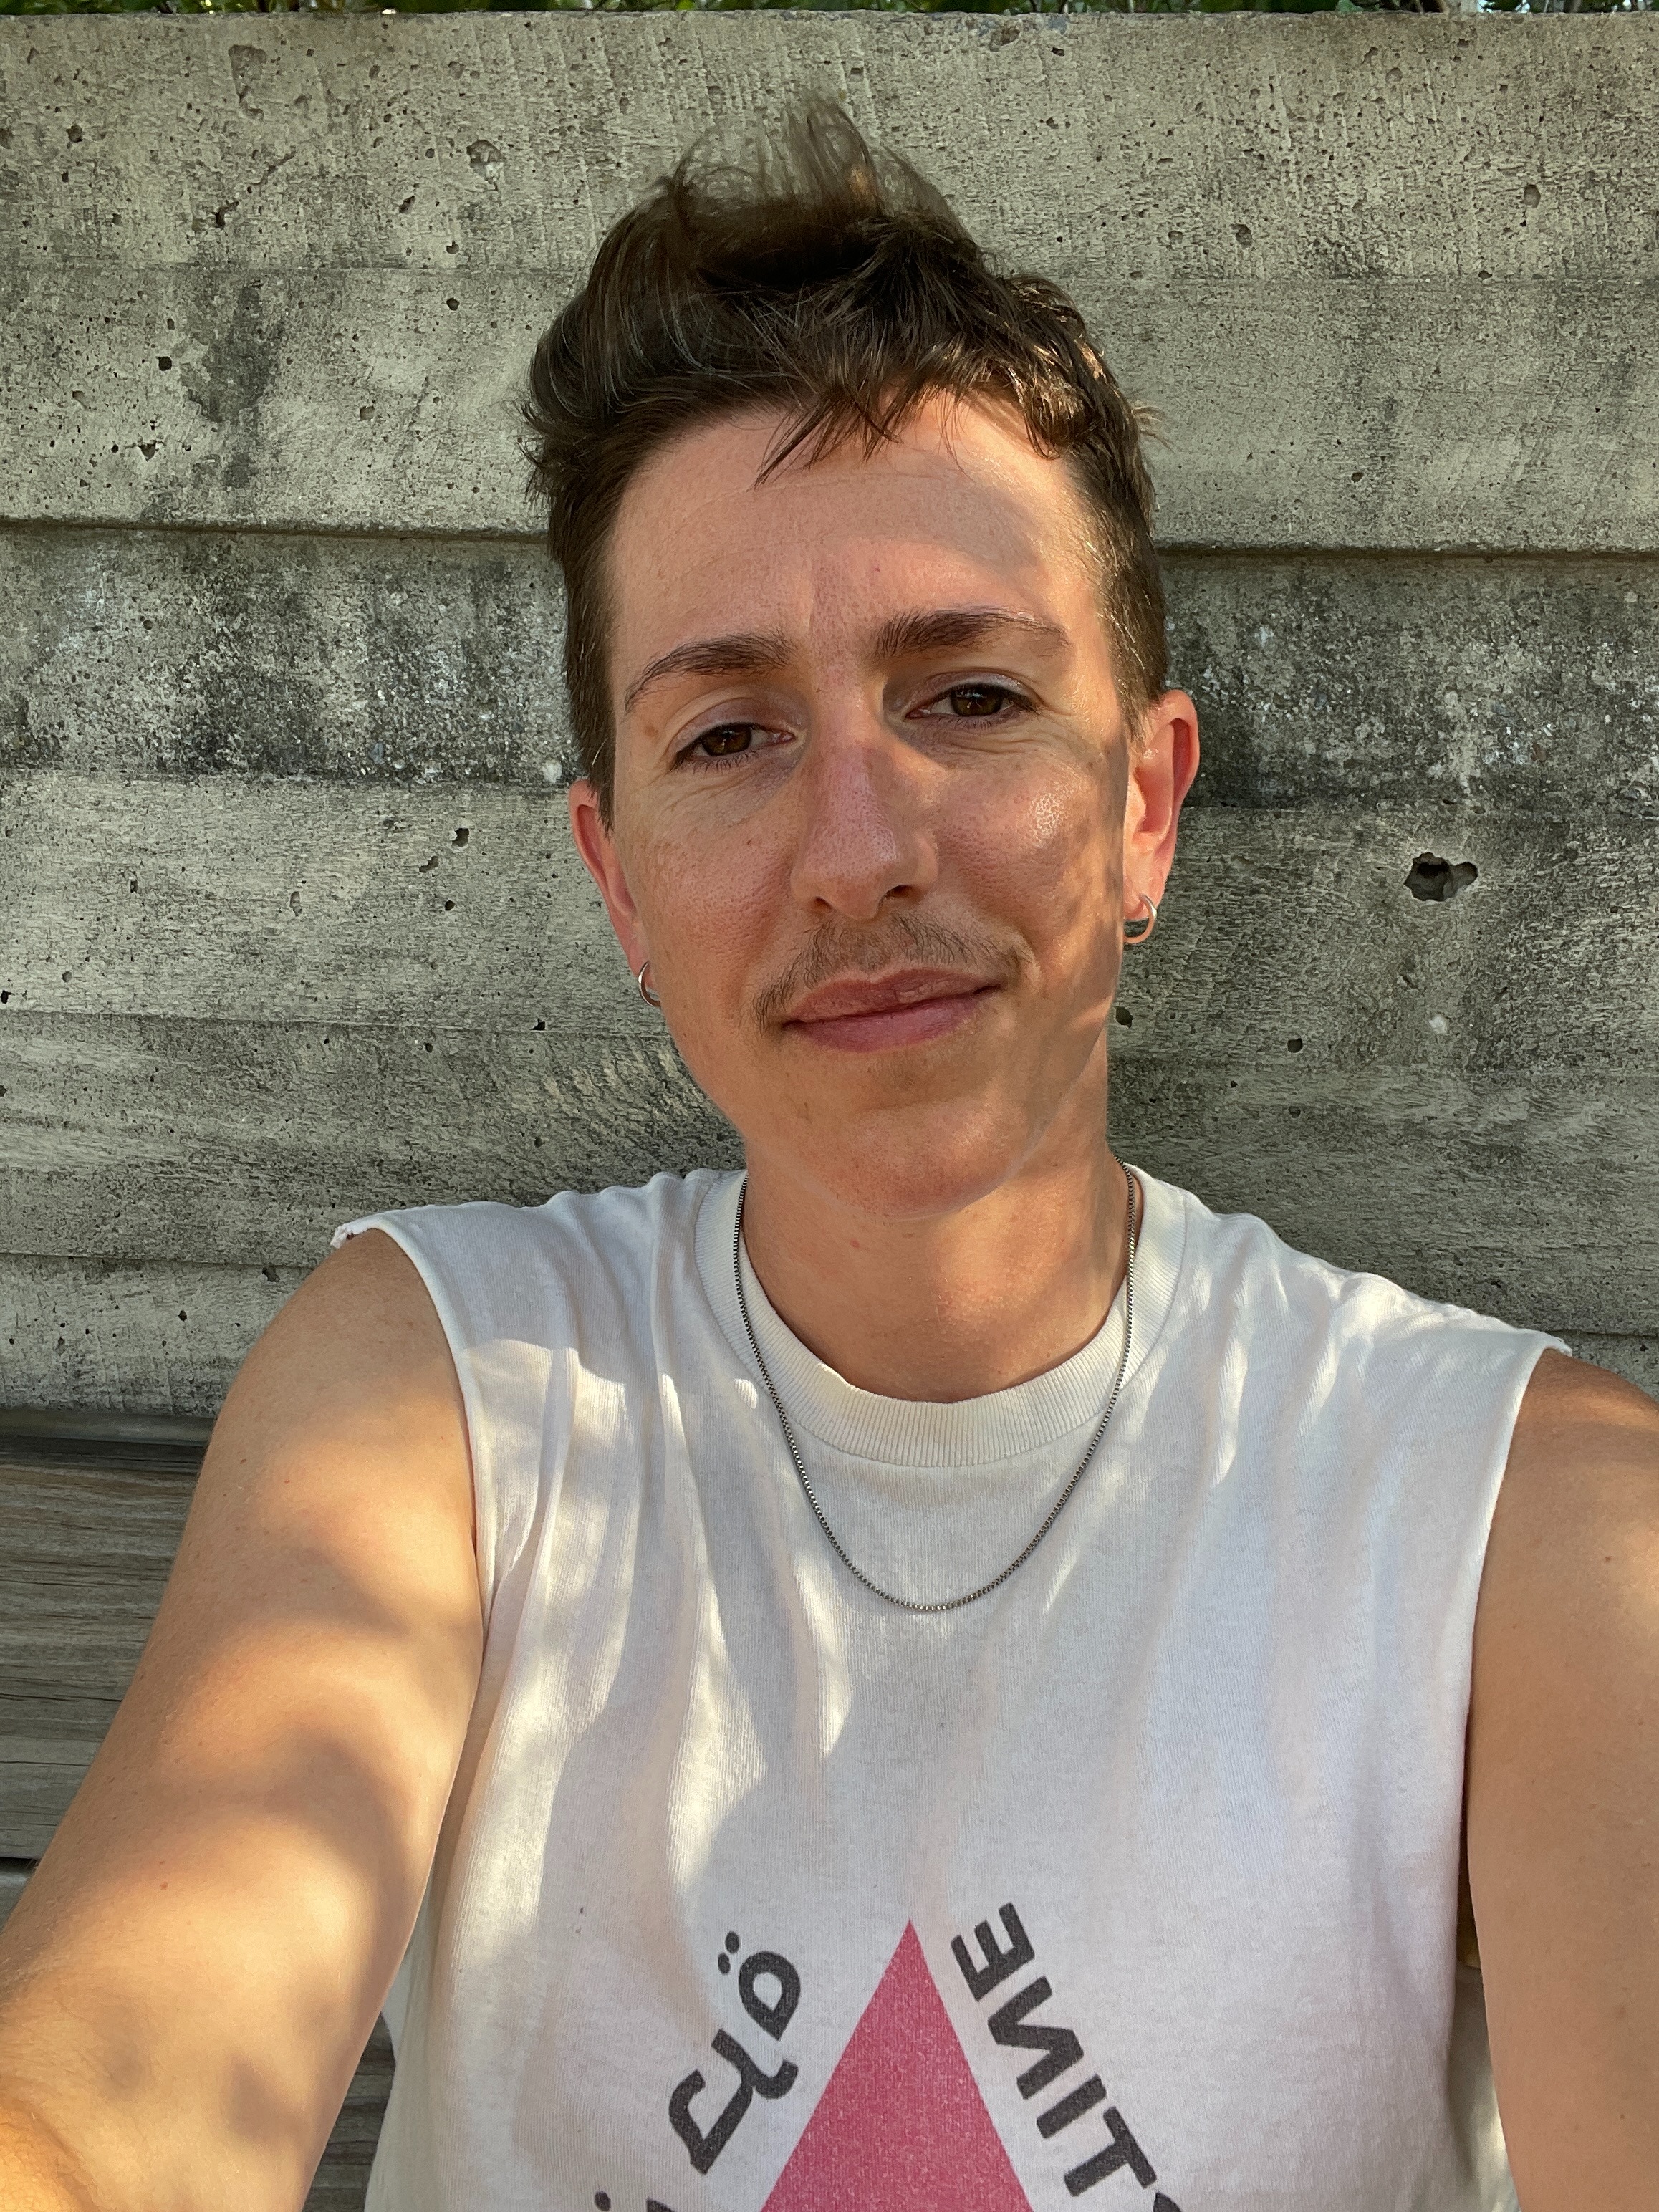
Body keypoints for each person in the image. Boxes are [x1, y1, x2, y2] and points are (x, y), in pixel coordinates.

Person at [1, 105, 1655, 2212]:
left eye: (967, 697)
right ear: (617, 876)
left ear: (1145, 809)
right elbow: (119, 2099)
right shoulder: (440, 1401)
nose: (858, 852)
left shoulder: (1522, 1524)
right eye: (728, 734)